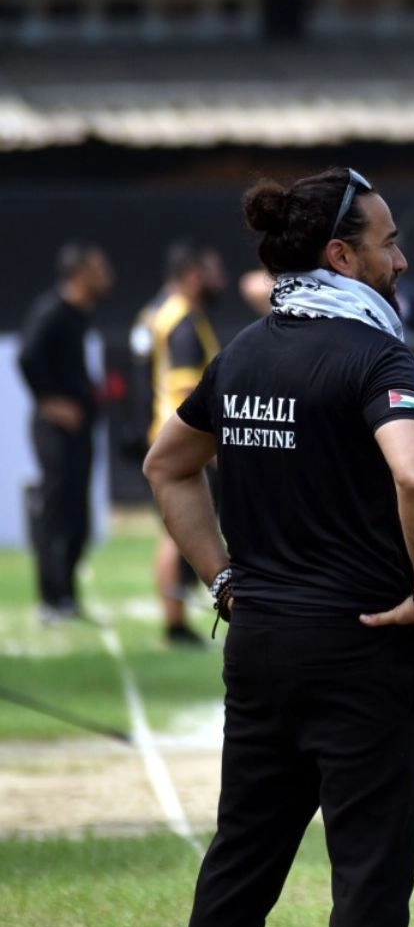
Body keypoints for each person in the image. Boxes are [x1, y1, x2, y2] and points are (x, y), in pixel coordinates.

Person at [143, 166, 414, 927]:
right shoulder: (372, 352)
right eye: (387, 242)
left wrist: (224, 580)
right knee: (368, 875)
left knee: (239, 865)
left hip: (262, 642)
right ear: (340, 254)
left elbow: (165, 465)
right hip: (363, 646)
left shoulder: (242, 350)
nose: (401, 257)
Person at [16, 242, 113, 623]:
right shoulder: (52, 311)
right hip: (56, 431)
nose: (107, 275)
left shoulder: (78, 315)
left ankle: (67, 596)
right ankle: (50, 599)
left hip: (81, 429)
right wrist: (50, 402)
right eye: (100, 267)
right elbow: (27, 357)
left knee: (77, 515)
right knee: (56, 511)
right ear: (80, 274)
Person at [137, 241, 228, 646]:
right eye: (211, 270)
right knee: (179, 530)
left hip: (166, 436)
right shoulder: (182, 321)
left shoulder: (161, 311)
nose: (218, 279)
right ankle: (174, 623)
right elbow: (188, 389)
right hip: (184, 441)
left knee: (175, 530)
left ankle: (175, 618)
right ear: (193, 275)